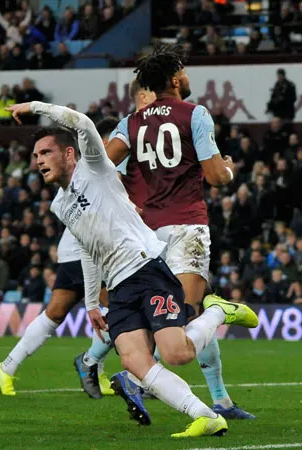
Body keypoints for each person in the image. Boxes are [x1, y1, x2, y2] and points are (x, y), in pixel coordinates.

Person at [7, 100, 258, 438]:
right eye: (35, 156)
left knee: (176, 353)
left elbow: (81, 122)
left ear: (69, 154)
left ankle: (217, 311)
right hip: (120, 287)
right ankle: (204, 414)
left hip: (147, 269)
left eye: (45, 152)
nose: (38, 160)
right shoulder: (60, 204)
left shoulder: (94, 167)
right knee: (133, 362)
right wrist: (93, 302)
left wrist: (36, 107)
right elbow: (87, 247)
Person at [106, 44, 255, 420]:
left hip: (147, 234)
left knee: (173, 319)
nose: (187, 77)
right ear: (174, 79)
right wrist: (230, 168)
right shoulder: (195, 114)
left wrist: (129, 196)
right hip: (187, 226)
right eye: (184, 71)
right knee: (187, 318)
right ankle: (140, 378)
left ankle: (218, 399)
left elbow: (104, 165)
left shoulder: (132, 122)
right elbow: (217, 177)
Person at [0, 118, 123, 400]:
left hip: (72, 250)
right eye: (111, 139)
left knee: (54, 314)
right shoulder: (96, 166)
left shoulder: (104, 167)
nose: (116, 144)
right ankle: (96, 365)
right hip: (85, 251)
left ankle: (7, 366)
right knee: (124, 308)